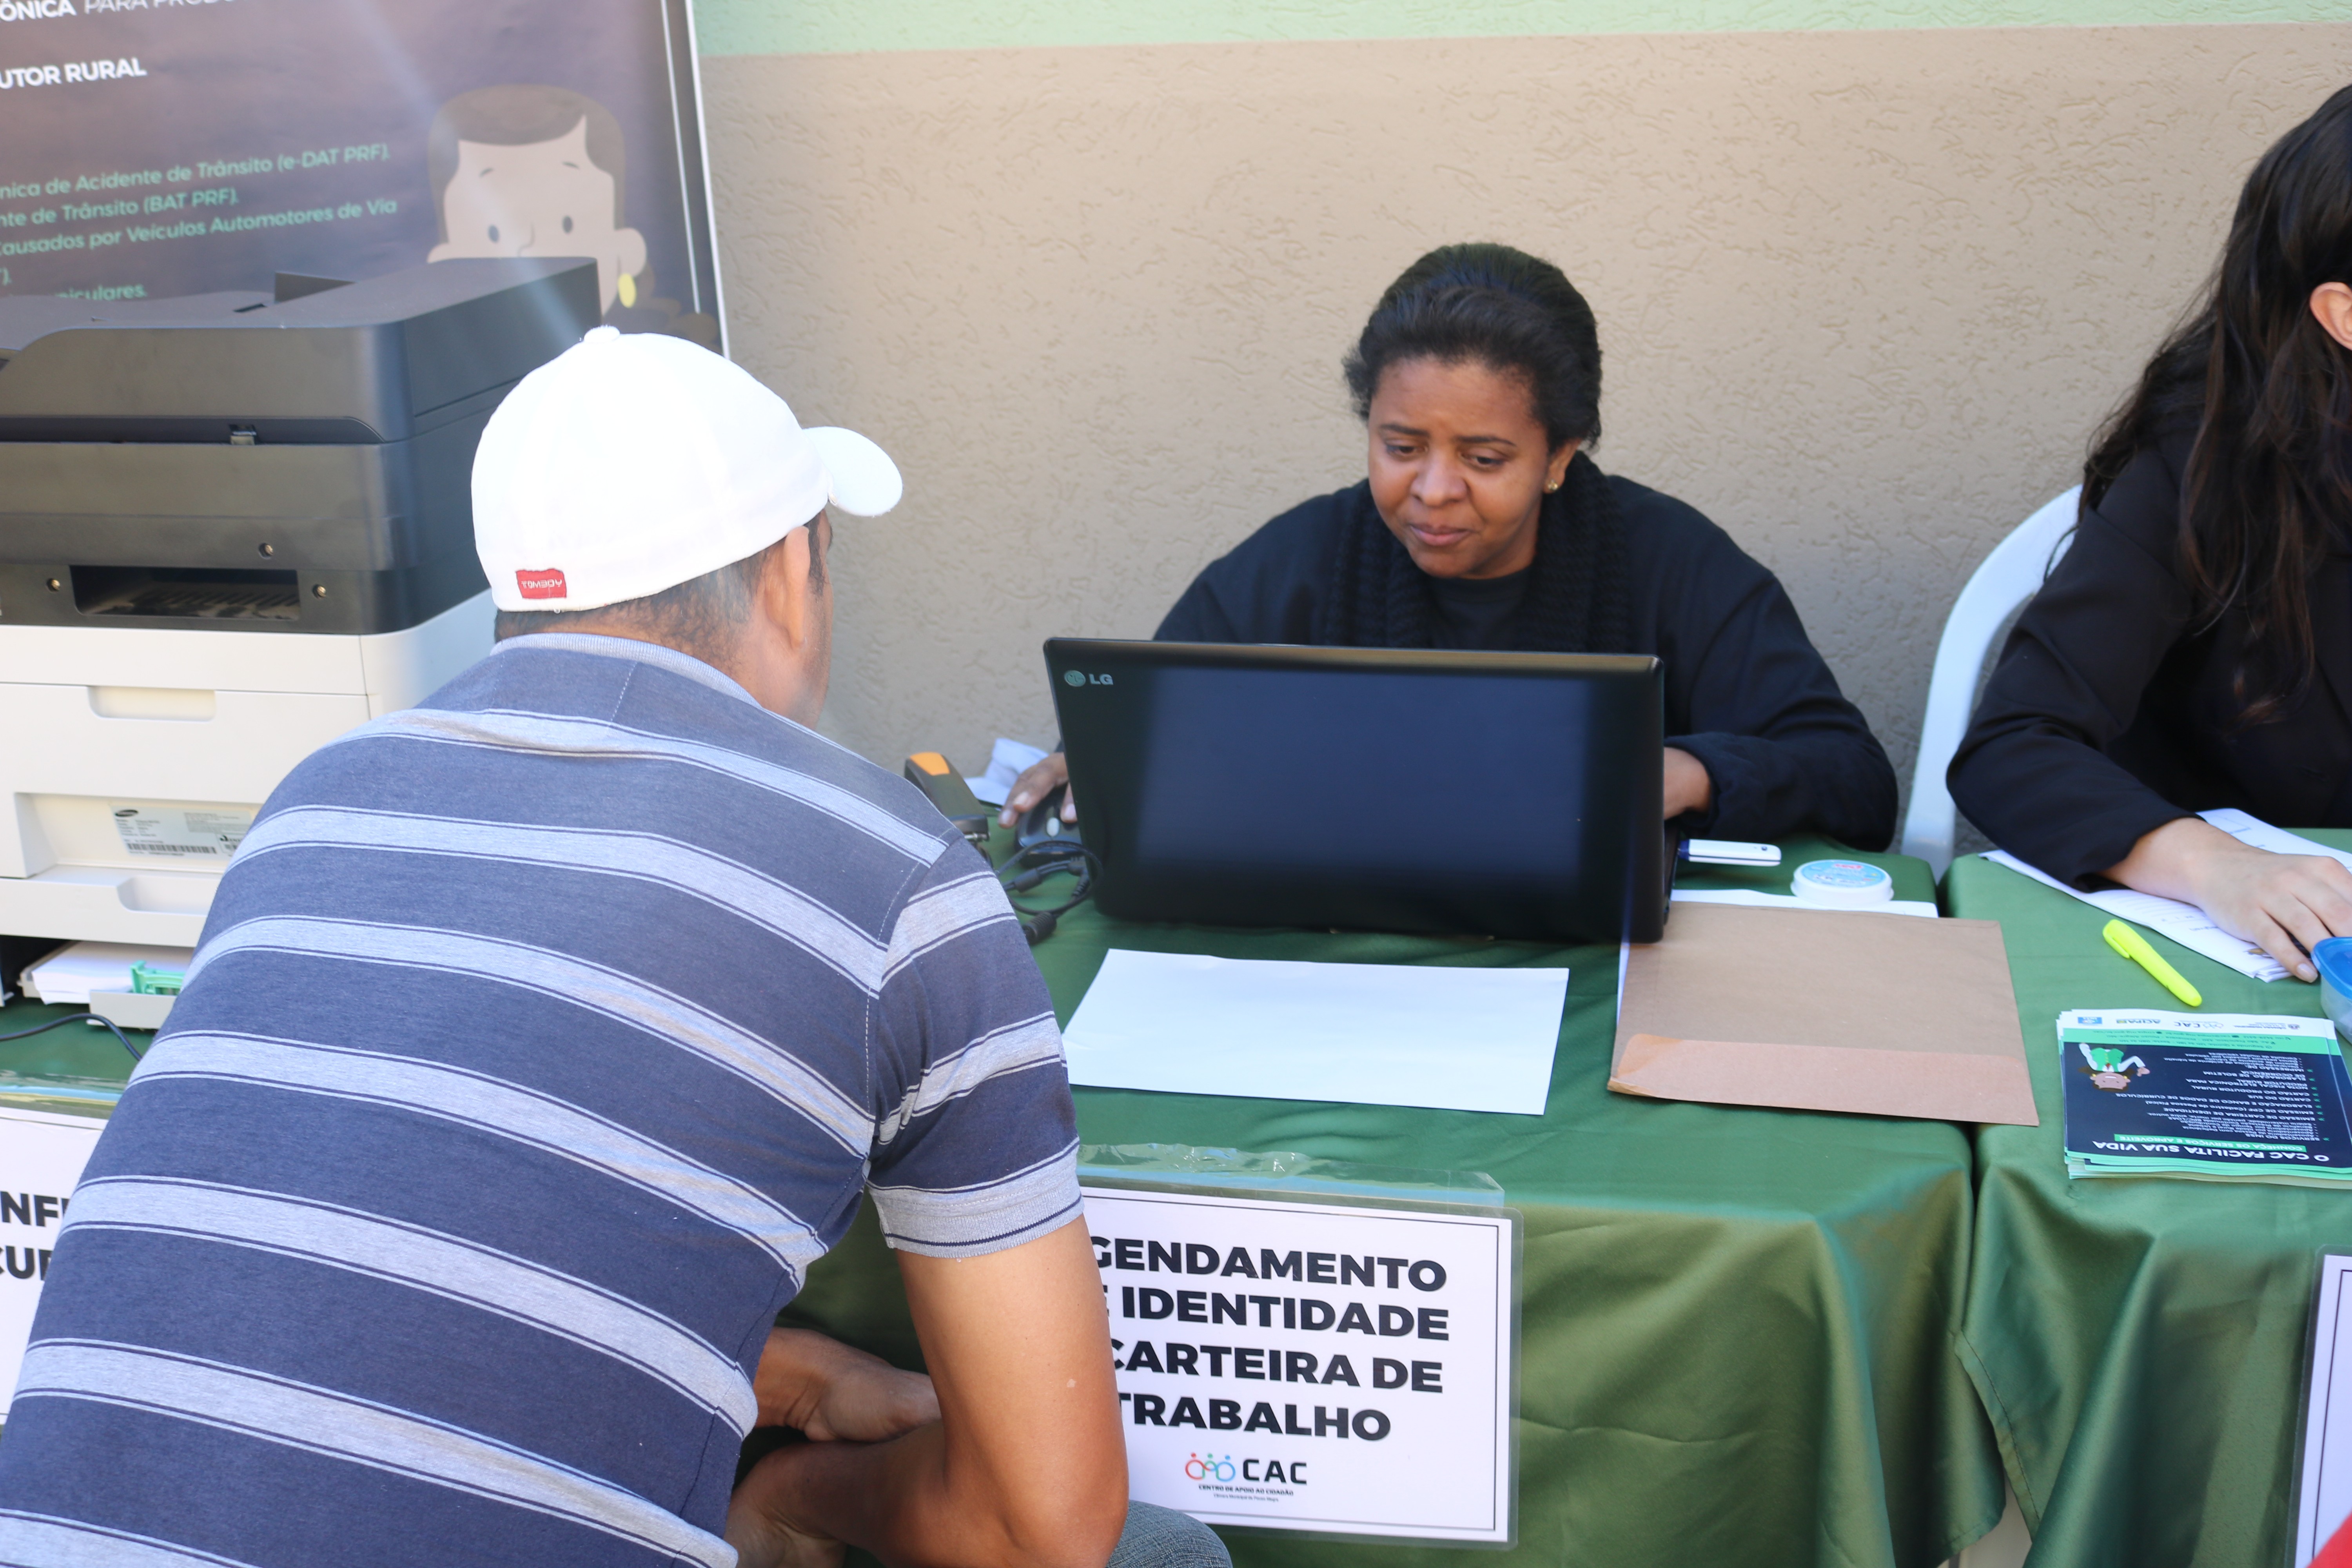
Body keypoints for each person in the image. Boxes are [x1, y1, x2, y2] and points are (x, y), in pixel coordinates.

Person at [0, 328, 1228, 1568]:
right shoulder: (900, 878)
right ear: (794, 568)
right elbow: (1042, 1526)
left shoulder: (318, 798)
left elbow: (381, 1265)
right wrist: (796, 1494)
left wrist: (767, 1372)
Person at [1001, 243, 1896, 850]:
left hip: (1612, 977)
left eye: (1485, 457)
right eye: (1400, 447)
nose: (1432, 489)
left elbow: (1856, 783)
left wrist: (1691, 770)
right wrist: (1106, 760)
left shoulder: (1669, 559)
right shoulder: (1305, 558)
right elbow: (1152, 722)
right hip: (1335, 964)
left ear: (1559, 456)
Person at [1949, 87, 2352, 984]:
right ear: (2344, 317)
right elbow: (2014, 747)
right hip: (2231, 976)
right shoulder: (2206, 469)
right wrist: (2218, 866)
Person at [427, 83, 721, 348]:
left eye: (566, 224)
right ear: (445, 264)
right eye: (496, 231)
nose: (527, 249)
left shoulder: (674, 359)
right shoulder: (440, 375)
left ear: (627, 250)